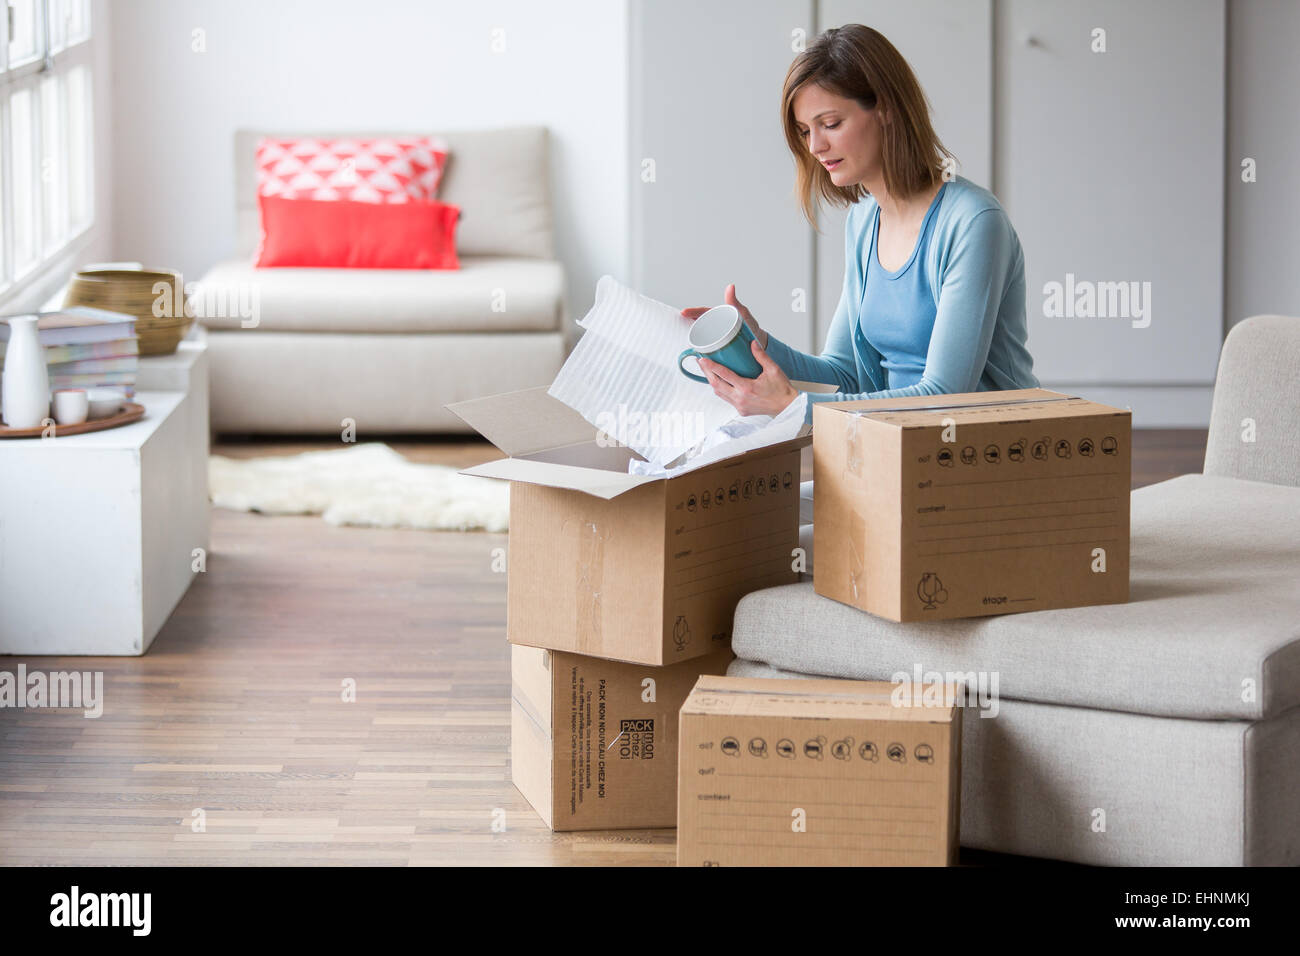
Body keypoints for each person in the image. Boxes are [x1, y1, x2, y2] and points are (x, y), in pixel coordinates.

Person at [681, 24, 1040, 423]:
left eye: (830, 123)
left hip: (983, 452)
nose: (815, 146)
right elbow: (844, 374)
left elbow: (944, 398)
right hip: (900, 446)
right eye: (804, 131)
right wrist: (756, 341)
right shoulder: (864, 221)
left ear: (886, 109)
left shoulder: (973, 223)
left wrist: (794, 408)